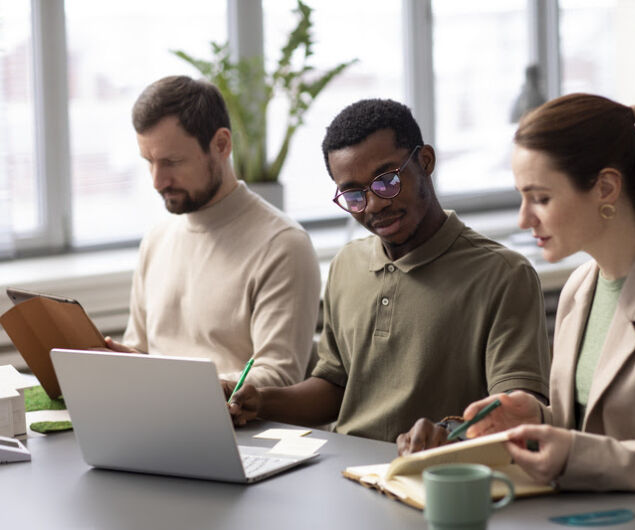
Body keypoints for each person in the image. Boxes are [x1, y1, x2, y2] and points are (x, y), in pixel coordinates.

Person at [428, 93, 635, 501]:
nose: (523, 218)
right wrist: (539, 419)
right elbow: (595, 429)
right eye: (522, 196)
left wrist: (575, 454)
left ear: (606, 188)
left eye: (541, 198)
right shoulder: (580, 289)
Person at [228, 98, 551, 442]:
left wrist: (449, 435)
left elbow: (515, 412)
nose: (376, 204)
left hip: (432, 477)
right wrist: (259, 400)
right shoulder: (346, 266)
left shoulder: (504, 274)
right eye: (353, 194)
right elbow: (335, 388)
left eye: (387, 180)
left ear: (425, 161)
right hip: (342, 470)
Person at [106, 75, 321, 391]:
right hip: (156, 419)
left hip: (242, 433)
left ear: (221, 144)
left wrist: (176, 387)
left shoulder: (283, 245)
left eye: (172, 161)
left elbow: (278, 377)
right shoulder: (156, 240)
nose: (157, 180)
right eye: (149, 161)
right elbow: (140, 352)